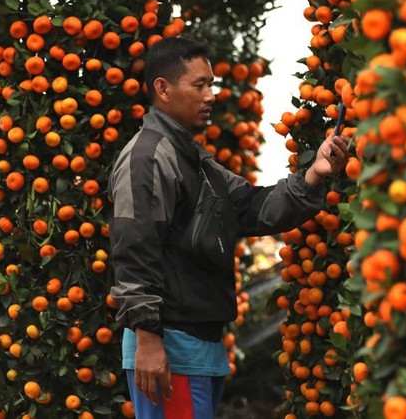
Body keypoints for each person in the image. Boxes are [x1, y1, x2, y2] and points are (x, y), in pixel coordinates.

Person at [109, 37, 350, 418]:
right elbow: (135, 247)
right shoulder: (149, 156)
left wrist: (315, 174)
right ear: (163, 89)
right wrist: (148, 339)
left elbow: (254, 208)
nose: (210, 96)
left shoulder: (195, 161)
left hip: (198, 347)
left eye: (212, 85)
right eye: (199, 85)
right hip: (171, 348)